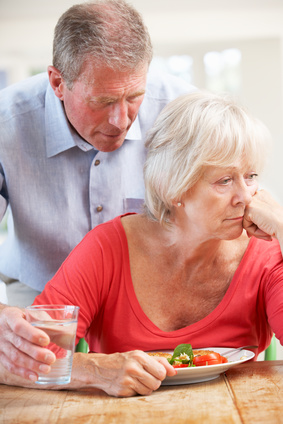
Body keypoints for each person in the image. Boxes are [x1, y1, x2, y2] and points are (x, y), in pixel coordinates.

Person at [0, 91, 282, 397]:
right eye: (224, 181)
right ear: (172, 186)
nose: (245, 197)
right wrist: (93, 370)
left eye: (251, 176)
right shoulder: (106, 249)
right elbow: (19, 359)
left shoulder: (266, 252)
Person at [0, 0, 194, 307]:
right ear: (58, 83)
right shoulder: (5, 122)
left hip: (150, 291)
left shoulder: (183, 108)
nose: (121, 121)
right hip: (39, 291)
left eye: (134, 97)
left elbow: (236, 189)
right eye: (102, 101)